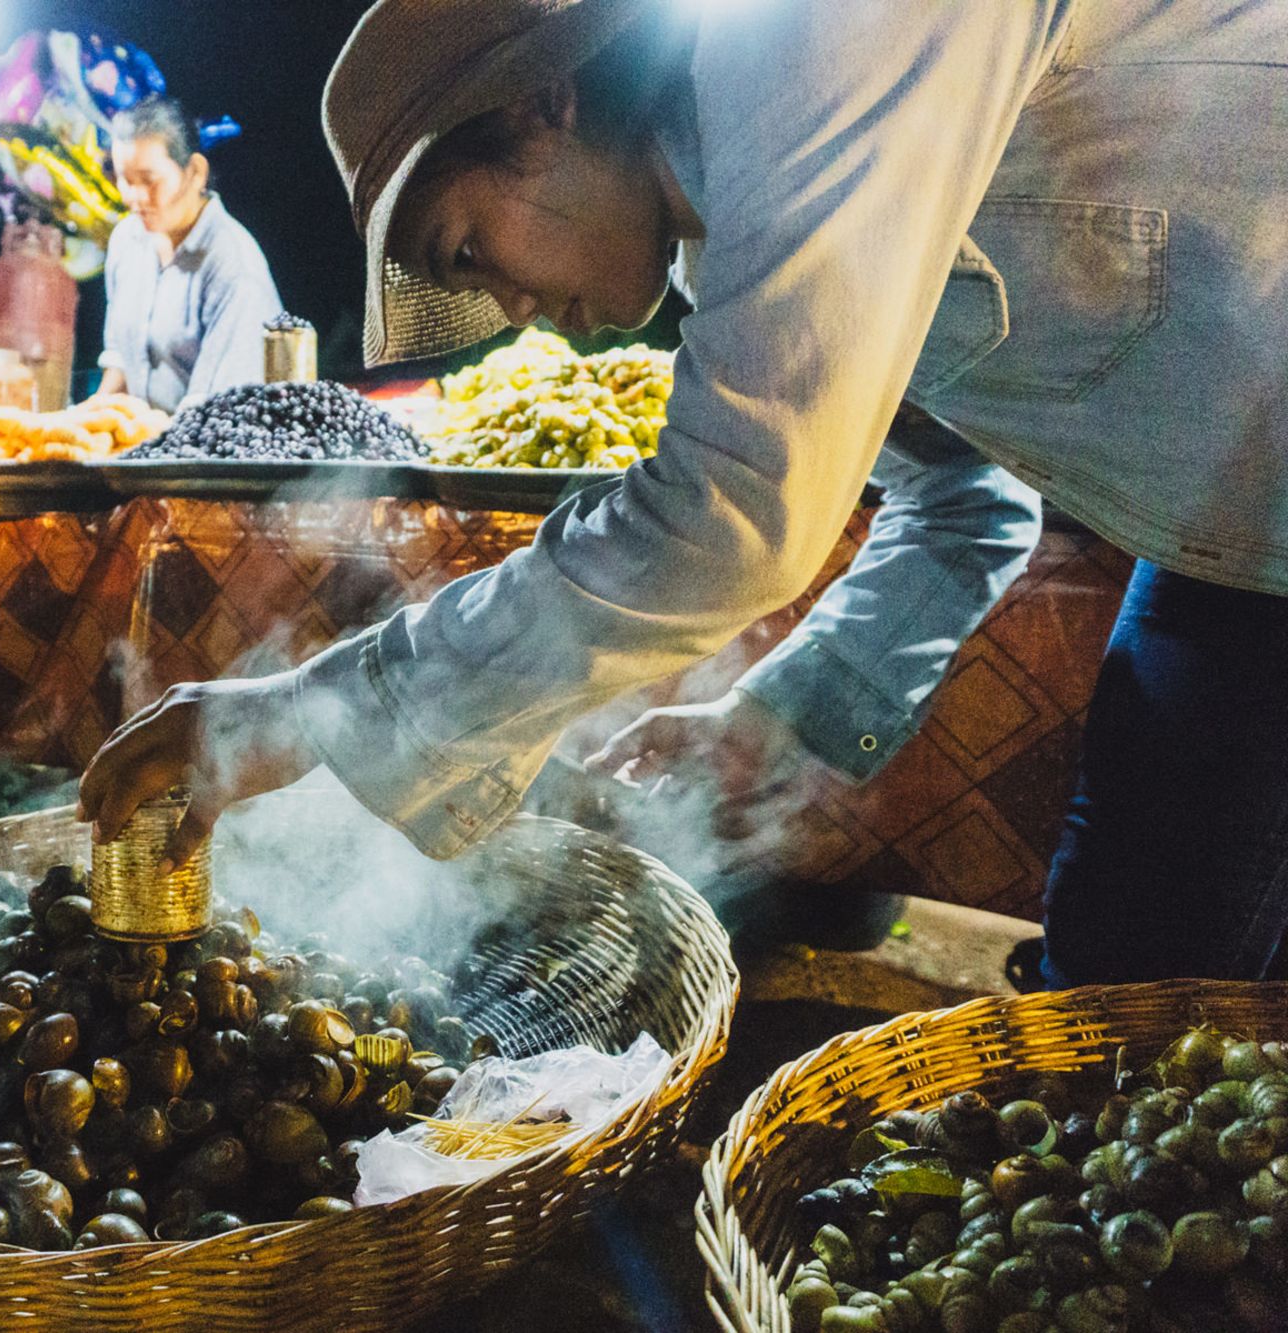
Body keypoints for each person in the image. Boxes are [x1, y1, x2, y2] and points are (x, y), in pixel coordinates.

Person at [77, 0, 1288, 987]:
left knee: (1144, 994)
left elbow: (728, 514)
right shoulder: (733, 244)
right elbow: (962, 496)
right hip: (1236, 539)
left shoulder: (810, 40)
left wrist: (307, 714)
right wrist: (776, 717)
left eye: (465, 249)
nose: (506, 307)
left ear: (543, 106)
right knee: (1129, 956)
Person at [95, 96, 283, 412]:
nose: (134, 197)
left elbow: (211, 417)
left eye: (149, 180)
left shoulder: (233, 266)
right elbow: (122, 364)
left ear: (195, 172)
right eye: (125, 180)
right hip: (145, 452)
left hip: (211, 450)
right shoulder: (126, 240)